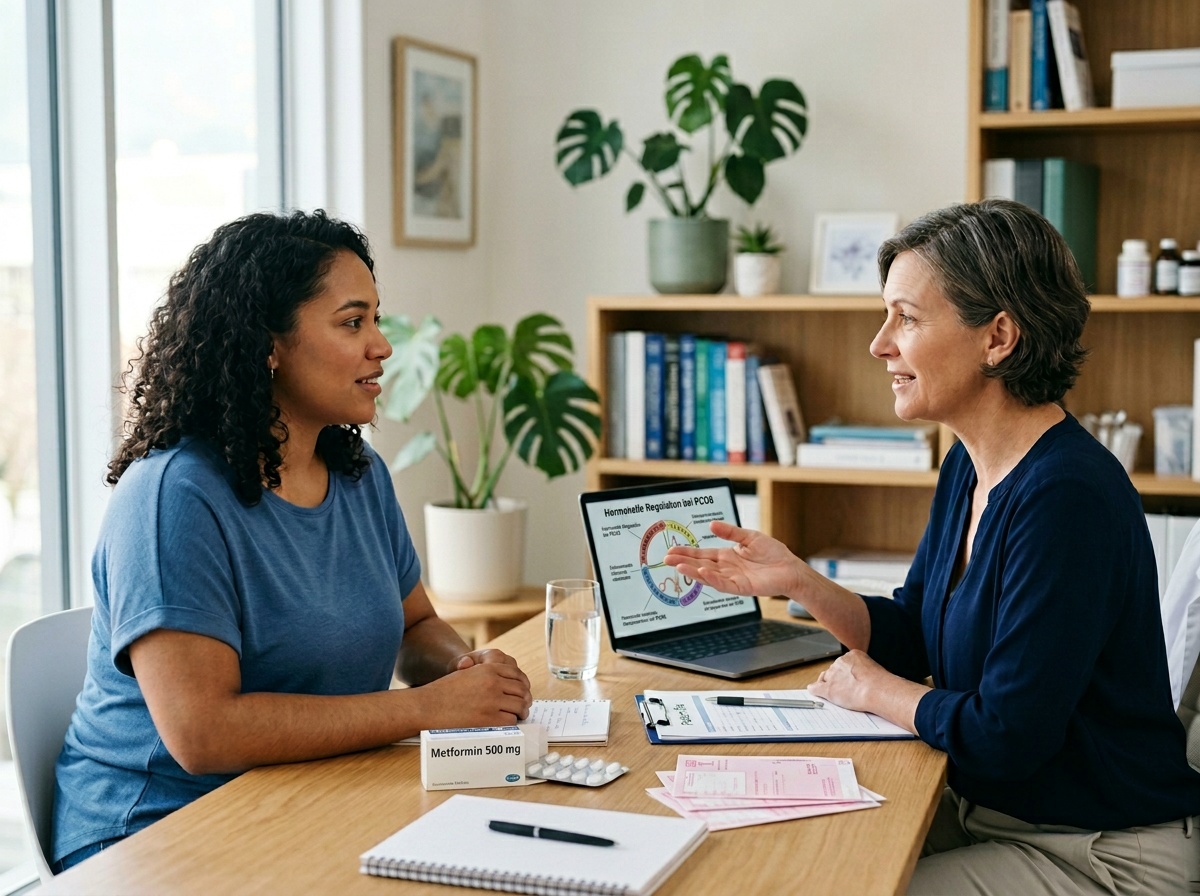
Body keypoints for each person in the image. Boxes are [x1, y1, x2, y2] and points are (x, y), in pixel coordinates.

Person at [665, 199, 1200, 894]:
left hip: (1101, 854)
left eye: (906, 318)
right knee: (792, 861)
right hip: (998, 815)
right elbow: (915, 634)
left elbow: (1007, 736)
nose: (879, 343)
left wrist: (874, 690)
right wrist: (800, 582)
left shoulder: (1068, 496)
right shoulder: (969, 463)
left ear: (998, 337)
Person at [51, 210, 533, 871]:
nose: (382, 346)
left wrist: (462, 672)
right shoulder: (173, 497)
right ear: (268, 344)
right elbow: (203, 733)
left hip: (315, 794)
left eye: (377, 319)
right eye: (352, 322)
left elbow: (414, 624)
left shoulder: (359, 475)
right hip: (154, 834)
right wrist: (423, 709)